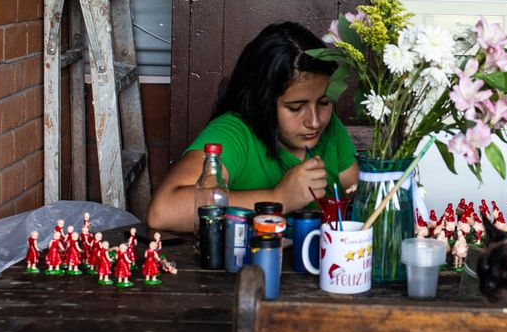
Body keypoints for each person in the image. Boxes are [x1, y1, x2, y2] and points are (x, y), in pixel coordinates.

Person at [148, 22, 358, 233]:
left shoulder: (330, 129)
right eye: (296, 108)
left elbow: (359, 196)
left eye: (324, 103)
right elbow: (163, 211)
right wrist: (278, 198)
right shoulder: (234, 134)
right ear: (263, 103)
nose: (314, 121)